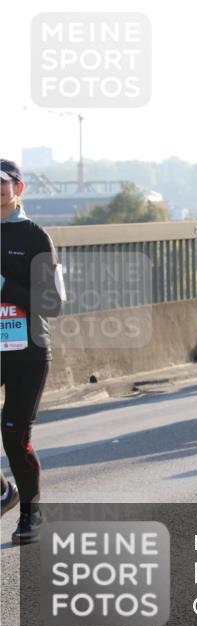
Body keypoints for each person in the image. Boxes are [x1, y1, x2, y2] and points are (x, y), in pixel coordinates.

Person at [1, 159, 64, 544]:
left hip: (27, 350)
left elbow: (52, 303)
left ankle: (30, 512)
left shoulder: (35, 236)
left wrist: (4, 286)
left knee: (14, 435)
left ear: (19, 188)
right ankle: (3, 491)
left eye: (3, 183)